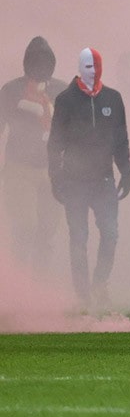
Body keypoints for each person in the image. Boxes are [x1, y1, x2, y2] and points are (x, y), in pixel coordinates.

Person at [48, 47, 130, 308]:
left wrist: (126, 171)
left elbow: (121, 140)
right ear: (78, 68)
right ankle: (82, 293)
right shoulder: (65, 100)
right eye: (87, 67)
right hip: (74, 181)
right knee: (78, 236)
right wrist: (56, 178)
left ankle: (99, 284)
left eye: (96, 66)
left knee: (111, 233)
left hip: (104, 179)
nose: (93, 72)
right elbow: (55, 143)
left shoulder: (113, 98)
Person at [0, 37, 66, 275]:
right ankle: (18, 282)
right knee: (25, 226)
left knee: (47, 229)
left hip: (51, 170)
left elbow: (72, 129)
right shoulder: (11, 90)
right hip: (19, 168)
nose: (40, 65)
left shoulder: (61, 90)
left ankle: (40, 282)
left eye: (44, 60)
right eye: (35, 60)